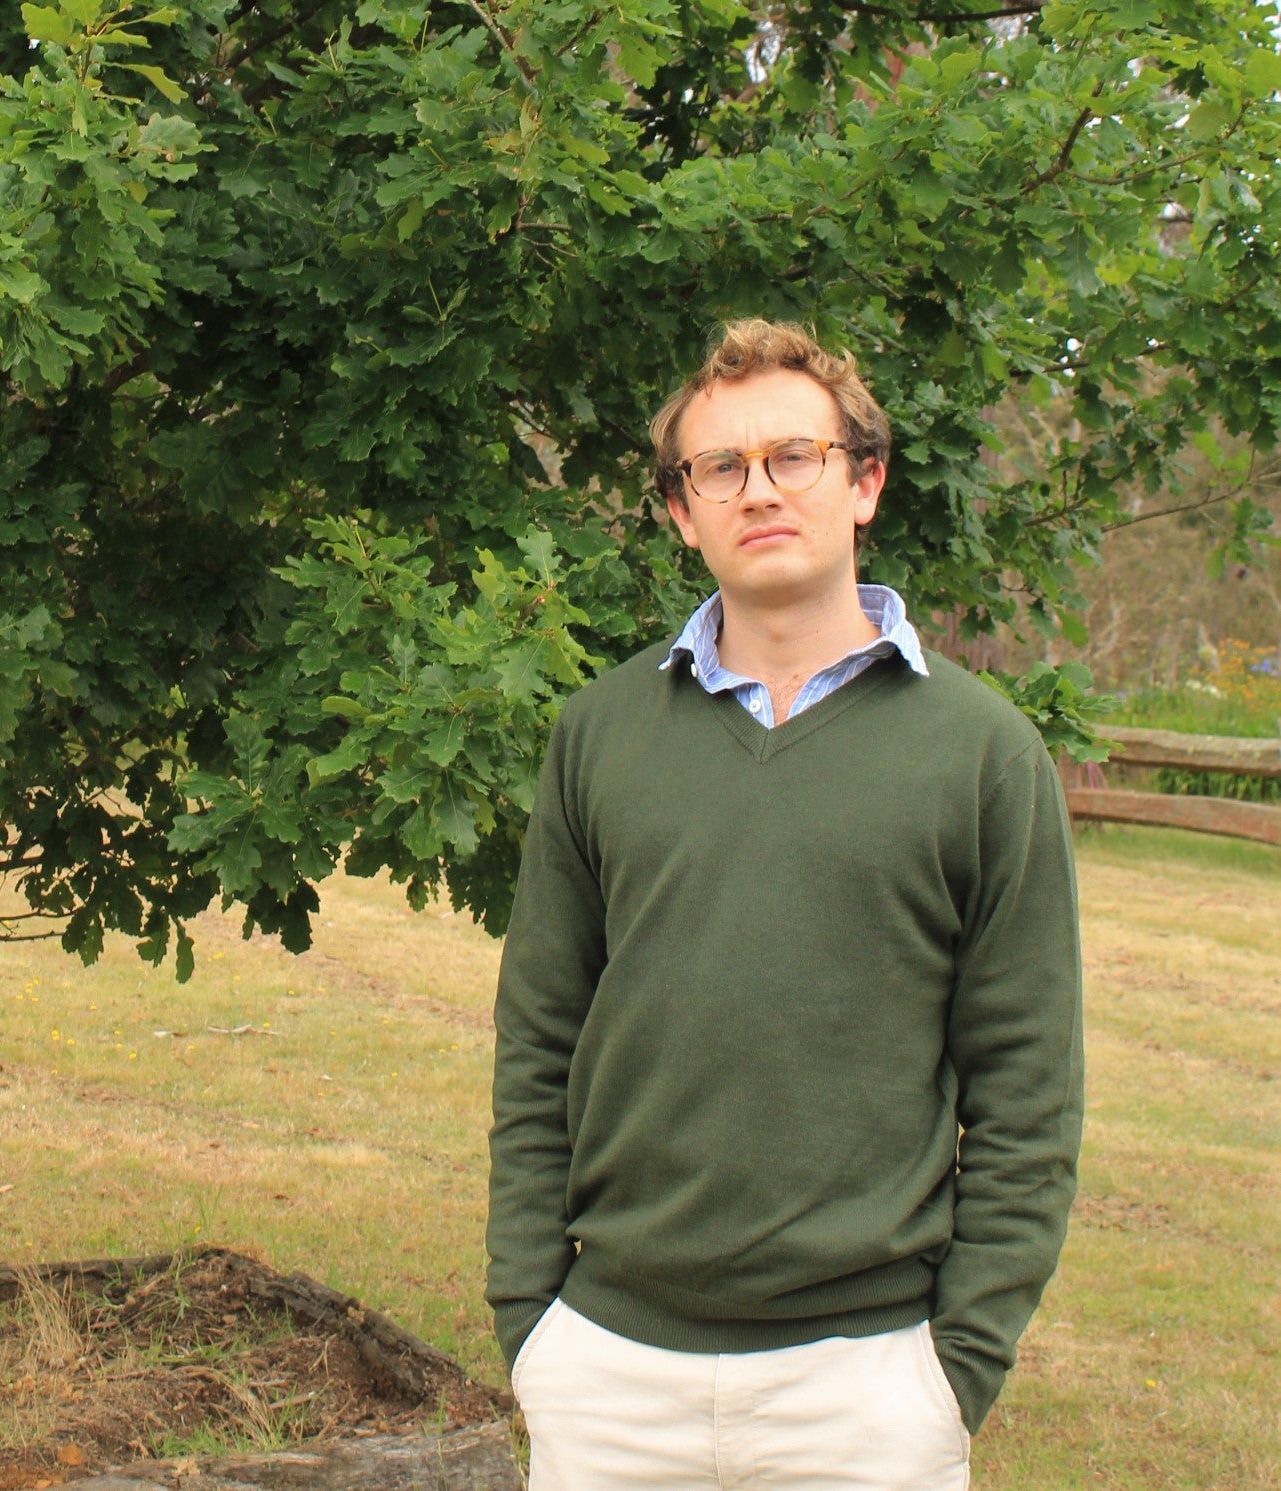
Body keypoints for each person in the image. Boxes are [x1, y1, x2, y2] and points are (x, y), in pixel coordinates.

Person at [485, 318, 1083, 1490]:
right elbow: (540, 1036)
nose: (757, 490)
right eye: (720, 467)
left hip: (865, 1389)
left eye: (792, 457)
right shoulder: (595, 735)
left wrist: (953, 1369)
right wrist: (530, 1318)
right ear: (678, 508)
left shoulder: (982, 754)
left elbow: (1027, 1086)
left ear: (862, 481)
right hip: (606, 1372)